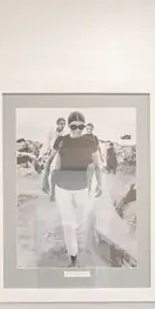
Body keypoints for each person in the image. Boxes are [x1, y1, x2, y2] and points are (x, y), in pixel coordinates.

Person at [41, 111, 104, 267]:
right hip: (63, 188)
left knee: (82, 219)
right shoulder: (61, 140)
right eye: (74, 127)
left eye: (81, 127)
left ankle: (85, 240)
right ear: (69, 126)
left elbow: (97, 165)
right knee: (68, 223)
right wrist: (45, 180)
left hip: (82, 188)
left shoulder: (89, 142)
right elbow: (49, 161)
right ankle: (73, 257)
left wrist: (100, 183)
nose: (77, 130)